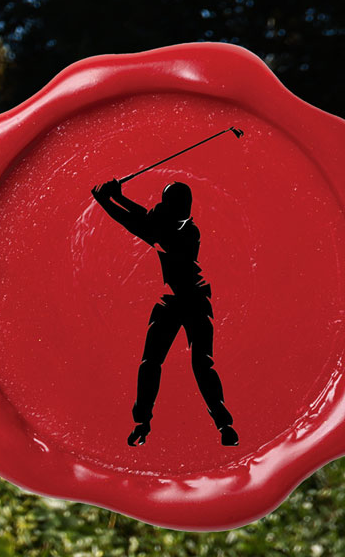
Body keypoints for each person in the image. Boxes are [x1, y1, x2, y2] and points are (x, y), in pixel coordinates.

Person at [91, 177, 240, 447]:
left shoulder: (185, 233)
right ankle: (142, 423)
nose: (159, 207)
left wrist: (106, 201)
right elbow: (146, 217)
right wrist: (119, 197)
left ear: (176, 208)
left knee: (201, 364)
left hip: (193, 300)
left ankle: (224, 424)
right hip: (172, 300)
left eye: (166, 204)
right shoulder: (172, 224)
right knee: (151, 362)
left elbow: (138, 224)